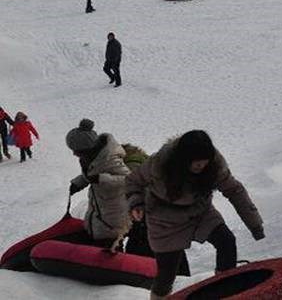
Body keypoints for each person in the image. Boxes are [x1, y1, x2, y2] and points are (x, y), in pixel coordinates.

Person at [126, 130, 264, 299]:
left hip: (200, 212)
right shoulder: (160, 163)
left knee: (226, 241)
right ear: (183, 159)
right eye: (196, 163)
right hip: (164, 219)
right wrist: (136, 203)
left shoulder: (215, 164)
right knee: (166, 275)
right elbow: (133, 181)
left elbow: (234, 190)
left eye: (204, 163)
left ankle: (226, 293)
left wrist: (255, 225)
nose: (201, 166)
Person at [66, 119, 130, 247]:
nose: (74, 154)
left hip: (114, 211)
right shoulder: (89, 158)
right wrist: (79, 182)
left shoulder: (110, 159)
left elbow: (129, 180)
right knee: (97, 239)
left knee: (110, 245)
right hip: (99, 208)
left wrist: (102, 179)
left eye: (77, 151)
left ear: (87, 148)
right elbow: (91, 175)